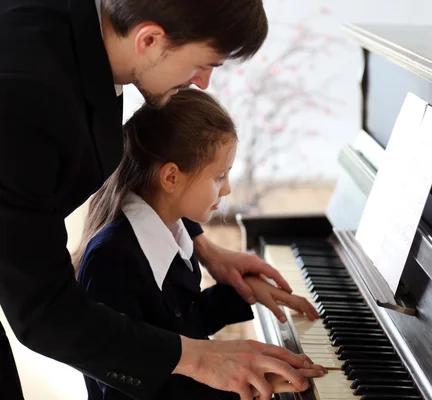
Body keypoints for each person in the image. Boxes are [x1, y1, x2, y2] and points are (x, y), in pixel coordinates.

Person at [0, 0, 320, 399]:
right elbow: (43, 312)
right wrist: (206, 360)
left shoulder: (89, 41)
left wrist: (203, 248)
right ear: (148, 39)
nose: (203, 82)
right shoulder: (23, 95)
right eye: (204, 64)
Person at [74, 89, 324, 399]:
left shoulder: (174, 234)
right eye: (219, 176)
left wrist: (243, 293)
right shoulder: (112, 262)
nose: (227, 189)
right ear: (171, 178)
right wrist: (246, 384)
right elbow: (129, 390)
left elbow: (183, 327)